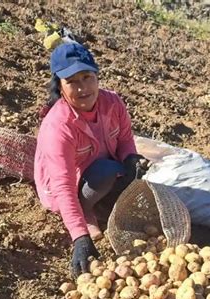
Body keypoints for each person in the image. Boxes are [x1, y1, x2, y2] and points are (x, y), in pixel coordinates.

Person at [34, 43, 149, 276]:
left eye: (87, 77)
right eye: (72, 81)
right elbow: (63, 186)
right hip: (66, 186)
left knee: (130, 172)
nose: (83, 88)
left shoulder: (113, 103)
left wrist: (130, 158)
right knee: (106, 171)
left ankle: (101, 202)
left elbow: (126, 139)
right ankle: (85, 213)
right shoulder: (58, 127)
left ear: (97, 76)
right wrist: (80, 238)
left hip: (102, 167)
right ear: (60, 86)